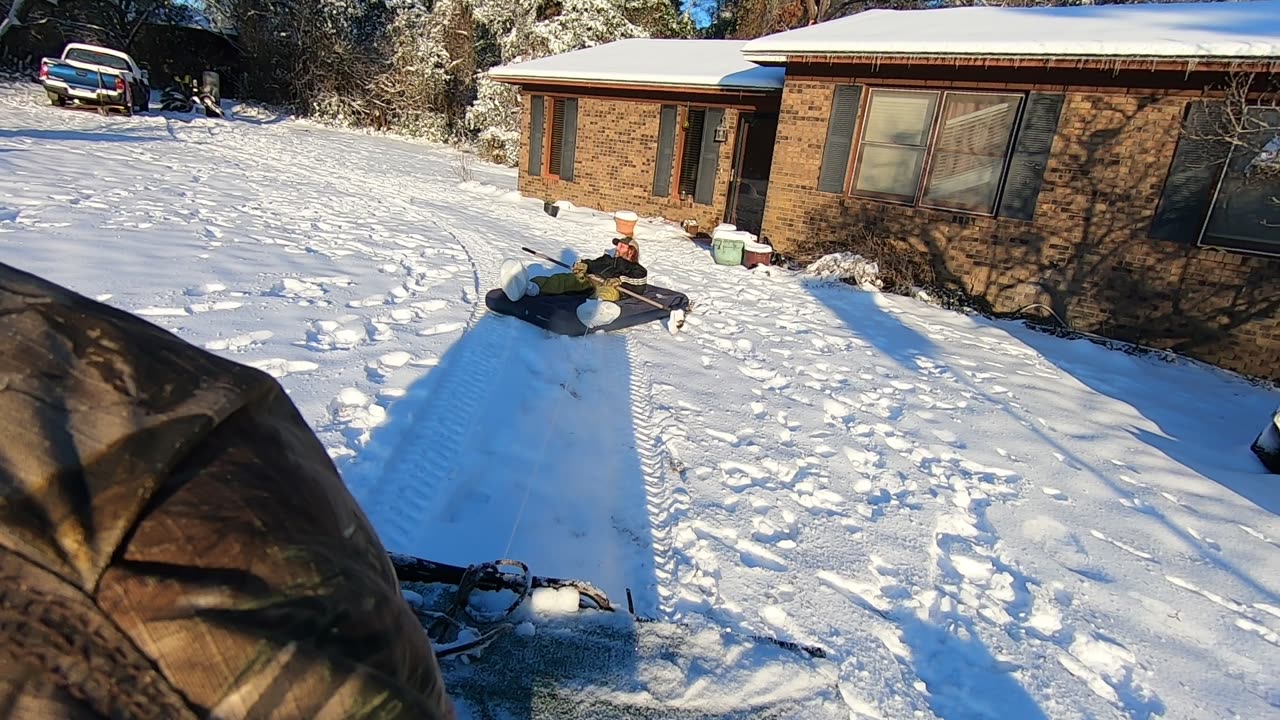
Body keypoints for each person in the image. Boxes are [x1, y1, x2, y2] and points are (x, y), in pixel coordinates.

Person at [501, 237, 647, 303]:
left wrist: (619, 280)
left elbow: (639, 280)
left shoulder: (636, 268)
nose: (617, 248)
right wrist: (583, 265)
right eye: (618, 245)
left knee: (605, 294)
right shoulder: (607, 259)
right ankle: (532, 287)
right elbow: (592, 264)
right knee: (564, 279)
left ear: (631, 251)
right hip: (591, 281)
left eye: (621, 246)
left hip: (613, 288)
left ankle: (593, 310)